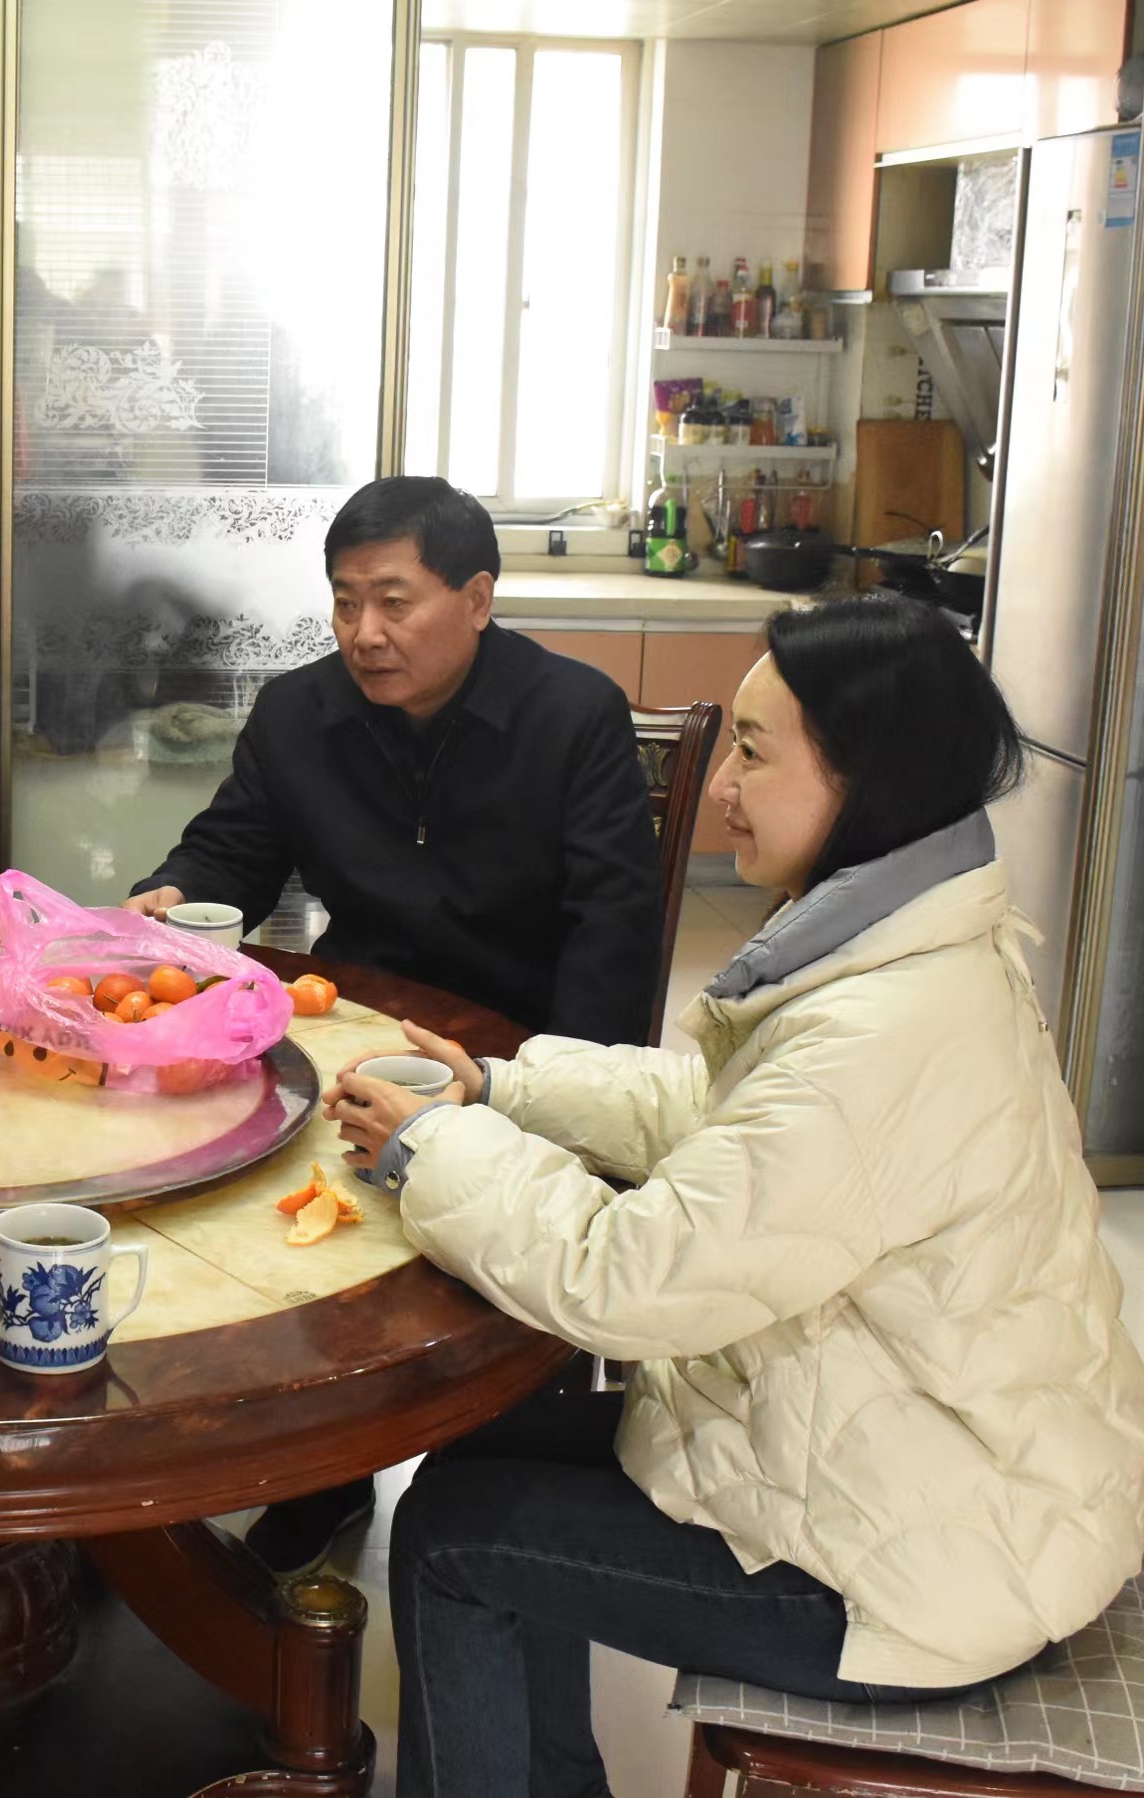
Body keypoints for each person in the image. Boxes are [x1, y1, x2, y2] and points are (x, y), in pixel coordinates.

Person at [317, 593, 1144, 1798]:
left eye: (753, 753)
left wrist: (432, 1146)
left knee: (456, 1541)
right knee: (482, 1443)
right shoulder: (900, 943)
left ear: (863, 776)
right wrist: (501, 1086)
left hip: (921, 1569)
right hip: (903, 1453)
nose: (717, 787)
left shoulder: (883, 1031)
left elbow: (627, 1278)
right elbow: (724, 1114)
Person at [126, 475, 664, 1572]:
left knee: (494, 1239)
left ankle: (500, 1464)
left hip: (521, 1044)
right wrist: (171, 900)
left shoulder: (572, 714)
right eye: (343, 601)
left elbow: (612, 928)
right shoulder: (299, 713)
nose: (363, 633)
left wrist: (550, 1098)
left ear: (477, 597)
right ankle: (316, 1469)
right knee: (246, 1200)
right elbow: (229, 853)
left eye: (393, 601)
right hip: (356, 1027)